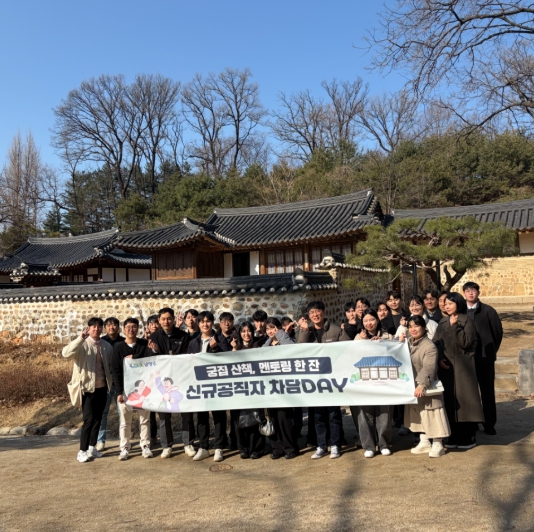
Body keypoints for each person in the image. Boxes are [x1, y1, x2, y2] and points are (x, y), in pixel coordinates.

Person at [297, 301, 349, 459]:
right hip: (315, 381)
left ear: (324, 312)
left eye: (317, 311)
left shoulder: (335, 330)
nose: (315, 314)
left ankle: (335, 445)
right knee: (318, 416)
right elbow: (299, 349)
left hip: (332, 380)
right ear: (308, 315)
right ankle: (321, 445)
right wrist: (304, 331)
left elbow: (348, 349)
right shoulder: (306, 331)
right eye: (312, 312)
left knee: (333, 414)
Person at [434, 292, 484, 449]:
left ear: (458, 303)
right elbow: (436, 343)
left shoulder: (467, 320)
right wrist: (439, 357)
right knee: (450, 400)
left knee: (466, 401)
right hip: (447, 368)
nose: (447, 306)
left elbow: (466, 342)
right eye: (445, 304)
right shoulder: (442, 322)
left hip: (464, 367)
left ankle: (468, 436)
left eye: (450, 303)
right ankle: (452, 435)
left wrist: (455, 327)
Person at [62, 318, 113, 463]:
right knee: (88, 420)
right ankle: (82, 451)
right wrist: (80, 339)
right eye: (93, 326)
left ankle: (92, 447)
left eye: (99, 326)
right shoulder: (82, 344)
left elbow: (110, 365)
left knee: (98, 419)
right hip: (86, 389)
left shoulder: (106, 346)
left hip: (102, 388)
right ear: (88, 328)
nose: (96, 329)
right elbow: (66, 354)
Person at [400, 316, 450, 458]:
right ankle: (424, 441)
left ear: (424, 327)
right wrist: (399, 343)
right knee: (419, 414)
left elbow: (429, 368)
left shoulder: (429, 346)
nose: (413, 329)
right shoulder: (408, 344)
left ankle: (438, 444)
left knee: (432, 414)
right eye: (410, 326)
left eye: (416, 326)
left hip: (427, 385)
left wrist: (422, 385)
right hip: (412, 385)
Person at [187, 311, 230, 462]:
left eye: (208, 321)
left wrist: (216, 348)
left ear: (212, 323)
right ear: (198, 324)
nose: (205, 324)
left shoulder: (220, 339)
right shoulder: (193, 342)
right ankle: (203, 447)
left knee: (219, 416)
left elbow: (227, 359)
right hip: (200, 385)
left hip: (216, 384)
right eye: (202, 321)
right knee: (201, 417)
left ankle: (219, 447)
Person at [148, 307, 190, 459]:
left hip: (181, 379)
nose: (166, 321)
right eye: (163, 319)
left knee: (186, 412)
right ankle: (166, 446)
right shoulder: (153, 337)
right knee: (164, 415)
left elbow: (187, 356)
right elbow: (149, 360)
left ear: (173, 319)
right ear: (159, 320)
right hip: (162, 382)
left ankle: (188, 443)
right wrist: (155, 351)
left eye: (169, 318)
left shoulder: (183, 336)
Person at [463, 282, 503, 435]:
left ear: (478, 293)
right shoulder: (461, 311)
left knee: (487, 392)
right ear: (464, 294)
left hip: (485, 359)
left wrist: (491, 350)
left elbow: (497, 333)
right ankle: (473, 423)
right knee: (469, 393)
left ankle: (489, 424)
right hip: (466, 360)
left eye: (473, 290)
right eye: (467, 291)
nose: (471, 293)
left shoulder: (488, 311)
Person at [354, 309, 395, 458]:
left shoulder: (387, 336)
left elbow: (396, 352)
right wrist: (363, 342)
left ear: (377, 320)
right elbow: (353, 356)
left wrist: (382, 344)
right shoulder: (358, 337)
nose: (369, 323)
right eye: (365, 321)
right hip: (365, 382)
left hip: (384, 382)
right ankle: (368, 446)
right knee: (365, 415)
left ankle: (384, 444)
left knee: (384, 413)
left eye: (371, 319)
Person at [111, 318, 153, 461]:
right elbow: (116, 371)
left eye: (134, 327)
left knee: (144, 420)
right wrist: (119, 392)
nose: (131, 330)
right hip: (125, 390)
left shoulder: (144, 345)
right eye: (128, 327)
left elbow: (150, 362)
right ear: (123, 330)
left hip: (143, 389)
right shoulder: (118, 348)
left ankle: (145, 445)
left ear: (138, 329)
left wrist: (134, 358)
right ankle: (124, 447)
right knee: (125, 421)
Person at [262, 317, 299, 459]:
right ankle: (277, 447)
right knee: (273, 418)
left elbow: (292, 349)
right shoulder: (267, 344)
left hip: (284, 387)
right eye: (268, 328)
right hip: (270, 388)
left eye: (273, 328)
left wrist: (281, 334)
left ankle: (290, 447)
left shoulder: (285, 340)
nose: (270, 331)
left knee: (285, 418)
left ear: (278, 328)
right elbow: (260, 354)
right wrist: (270, 339)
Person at [230, 321, 266, 459]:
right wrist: (234, 350)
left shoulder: (258, 346)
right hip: (240, 389)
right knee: (241, 419)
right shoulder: (235, 347)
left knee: (256, 418)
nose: (246, 334)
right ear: (239, 333)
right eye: (243, 331)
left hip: (256, 388)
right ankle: (243, 448)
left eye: (249, 331)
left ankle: (256, 448)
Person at [96, 317, 125, 452]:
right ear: (105, 328)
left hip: (121, 383)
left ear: (118, 327)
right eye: (108, 325)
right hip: (105, 383)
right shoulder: (101, 342)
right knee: (102, 413)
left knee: (122, 413)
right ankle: (100, 440)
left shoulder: (123, 342)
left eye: (114, 325)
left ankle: (123, 440)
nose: (111, 327)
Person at [144, 315, 160, 446]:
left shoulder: (162, 339)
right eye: (151, 323)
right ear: (148, 326)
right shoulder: (142, 342)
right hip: (148, 380)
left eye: (156, 323)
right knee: (150, 411)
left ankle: (165, 437)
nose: (154, 325)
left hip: (161, 379)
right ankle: (152, 436)